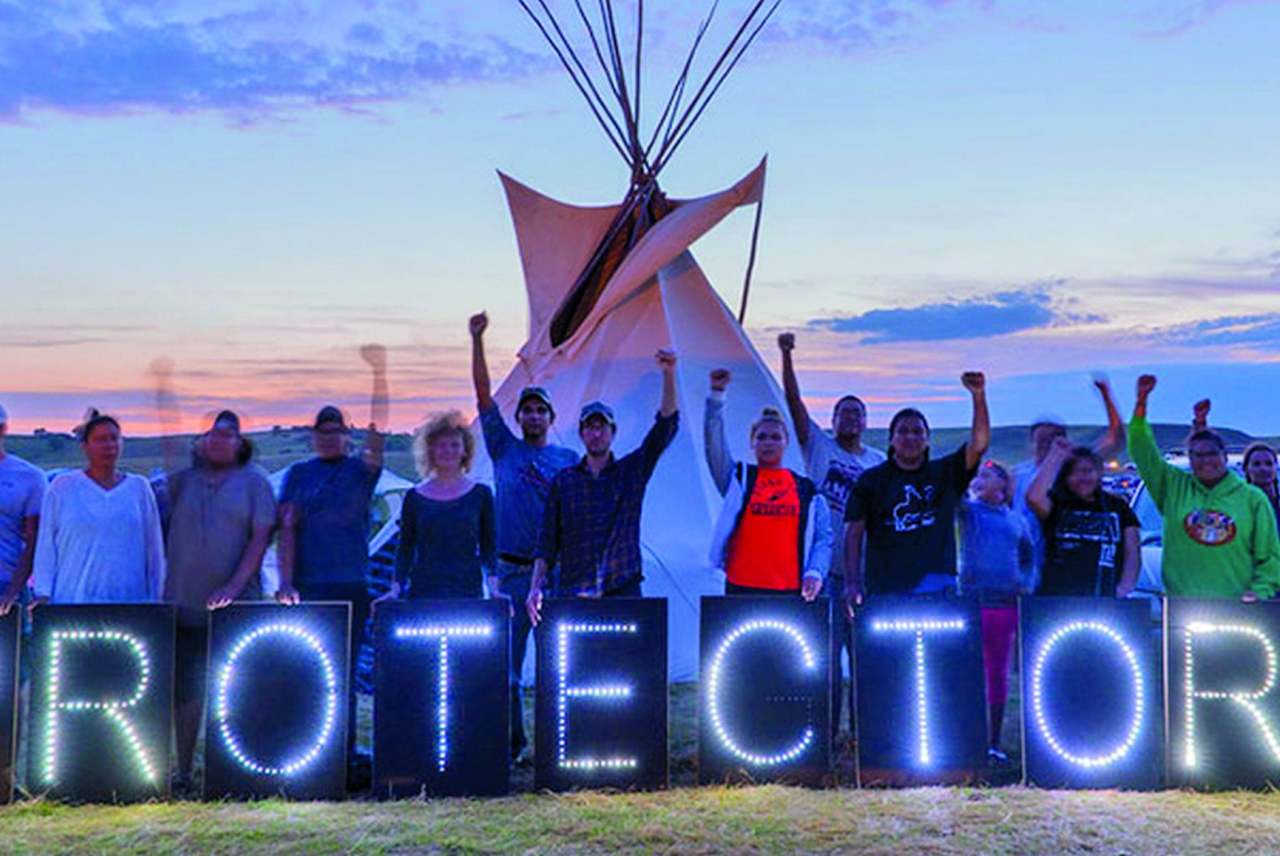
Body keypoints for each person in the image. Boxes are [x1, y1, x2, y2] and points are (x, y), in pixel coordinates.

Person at [276, 346, 388, 783]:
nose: (328, 438)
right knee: (310, 668)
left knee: (343, 671)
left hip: (351, 584)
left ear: (347, 435)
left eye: (336, 431)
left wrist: (380, 376)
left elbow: (380, 437)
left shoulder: (361, 472)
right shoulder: (298, 475)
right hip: (309, 585)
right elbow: (287, 529)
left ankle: (343, 748)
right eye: (322, 432)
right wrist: (285, 580)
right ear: (313, 436)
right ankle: (310, 746)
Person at [470, 311, 578, 761]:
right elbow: (482, 398)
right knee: (510, 667)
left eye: (540, 409)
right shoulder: (505, 449)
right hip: (512, 572)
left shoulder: (567, 459)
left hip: (553, 572)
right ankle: (514, 744)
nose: (533, 415)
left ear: (550, 417)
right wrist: (476, 340)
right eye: (527, 409)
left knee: (556, 665)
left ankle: (555, 743)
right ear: (519, 417)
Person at [160, 410, 276, 792]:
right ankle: (183, 771)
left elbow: (260, 538)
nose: (219, 441)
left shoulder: (255, 484)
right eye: (211, 435)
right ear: (200, 442)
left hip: (238, 607)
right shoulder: (179, 483)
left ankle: (236, 769)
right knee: (186, 691)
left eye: (227, 435)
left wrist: (233, 586)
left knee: (235, 688)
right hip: (184, 603)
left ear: (240, 443)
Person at [777, 332, 884, 738]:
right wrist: (787, 356)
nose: (851, 418)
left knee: (861, 657)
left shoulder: (876, 461)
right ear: (833, 420)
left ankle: (861, 735)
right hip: (822, 572)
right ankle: (822, 732)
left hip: (861, 573)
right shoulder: (819, 448)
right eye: (844, 413)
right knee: (824, 657)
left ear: (866, 421)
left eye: (857, 413)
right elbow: (794, 405)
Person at [526, 349, 680, 624]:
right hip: (575, 589)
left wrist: (669, 373)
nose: (596, 434)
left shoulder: (630, 472)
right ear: (582, 433)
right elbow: (546, 540)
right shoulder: (565, 481)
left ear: (612, 432)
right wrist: (535, 586)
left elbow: (664, 429)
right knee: (579, 665)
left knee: (629, 662)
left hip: (622, 585)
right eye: (590, 428)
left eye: (602, 428)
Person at [843, 372, 991, 614]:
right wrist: (852, 583)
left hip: (937, 587)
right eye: (903, 431)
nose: (910, 437)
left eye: (917, 432)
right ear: (891, 440)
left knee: (940, 652)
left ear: (927, 440)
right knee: (888, 652)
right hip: (886, 589)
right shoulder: (871, 481)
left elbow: (979, 445)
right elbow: (853, 533)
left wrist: (978, 396)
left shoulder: (945, 474)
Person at [1128, 374, 1280, 600]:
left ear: (1224, 456)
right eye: (1197, 455)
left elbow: (1269, 556)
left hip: (1238, 610)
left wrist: (1260, 592)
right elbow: (1143, 453)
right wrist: (1141, 404)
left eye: (1212, 454)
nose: (1205, 460)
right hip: (1182, 607)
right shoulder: (1173, 488)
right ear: (1190, 459)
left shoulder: (1252, 498)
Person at [703, 368, 831, 599]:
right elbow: (714, 446)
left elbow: (824, 536)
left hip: (790, 591)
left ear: (786, 442)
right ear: (752, 443)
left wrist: (815, 571)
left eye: (775, 437)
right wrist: (716, 396)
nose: (768, 443)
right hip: (741, 588)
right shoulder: (740, 478)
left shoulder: (805, 488)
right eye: (761, 437)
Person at [32, 410, 165, 605]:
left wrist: (158, 594)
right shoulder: (63, 487)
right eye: (101, 439)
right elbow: (46, 543)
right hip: (73, 599)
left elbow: (154, 547)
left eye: (114, 439)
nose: (109, 446)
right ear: (85, 446)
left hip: (129, 601)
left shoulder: (139, 488)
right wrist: (43, 592)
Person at [957, 460, 1035, 764]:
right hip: (972, 603)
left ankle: (994, 742)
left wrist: (1024, 584)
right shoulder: (970, 513)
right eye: (976, 476)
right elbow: (954, 497)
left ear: (1003, 484)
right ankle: (966, 739)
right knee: (969, 675)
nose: (978, 481)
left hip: (1004, 606)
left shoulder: (1017, 521)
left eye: (985, 476)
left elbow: (1028, 557)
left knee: (997, 675)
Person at [1010, 376, 1125, 581]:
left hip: (1064, 556)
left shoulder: (1074, 471)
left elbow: (1115, 440)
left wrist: (1106, 396)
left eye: (1053, 438)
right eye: (1042, 439)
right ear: (1032, 441)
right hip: (1024, 557)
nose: (1048, 444)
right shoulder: (1018, 475)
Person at [378, 411, 495, 602]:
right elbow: (405, 550)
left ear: (465, 450)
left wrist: (494, 588)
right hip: (424, 592)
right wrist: (395, 590)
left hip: (468, 592)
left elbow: (488, 548)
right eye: (441, 445)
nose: (447, 451)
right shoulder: (414, 497)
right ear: (430, 450)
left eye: (454, 445)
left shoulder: (481, 495)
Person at [1026, 437, 1140, 598]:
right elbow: (1033, 498)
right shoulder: (1057, 503)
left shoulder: (1118, 506)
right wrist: (1055, 455)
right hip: (1058, 598)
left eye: (1087, 471)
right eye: (1074, 473)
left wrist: (1124, 587)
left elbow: (1132, 550)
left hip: (1105, 597)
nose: (1082, 478)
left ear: (1099, 473)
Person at [0, 403, 45, 616]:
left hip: (6, 582)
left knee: (12, 648)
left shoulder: (28, 477)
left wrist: (12, 592)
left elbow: (35, 540)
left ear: (3, 429)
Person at [1243, 442, 1280, 525]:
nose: (1263, 469)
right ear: (1246, 469)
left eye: (1269, 464)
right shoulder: (1239, 506)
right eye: (1256, 464)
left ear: (1276, 467)